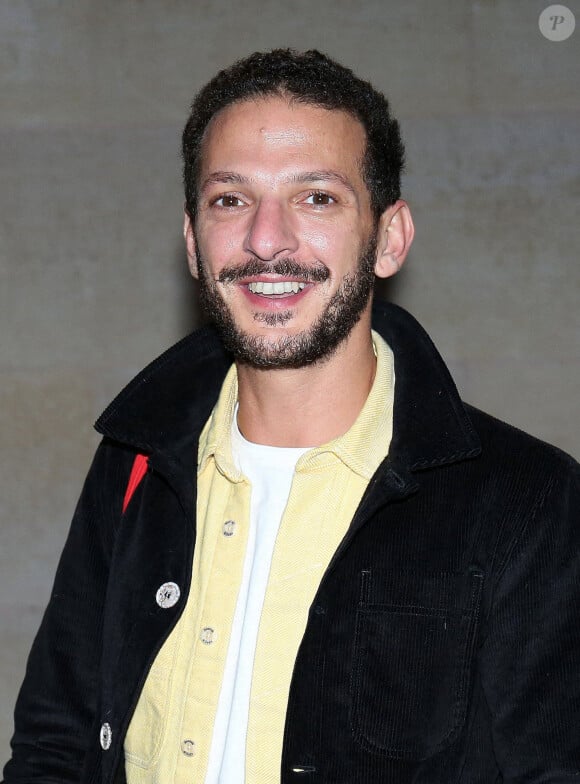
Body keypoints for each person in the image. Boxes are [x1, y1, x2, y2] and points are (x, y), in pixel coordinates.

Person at [3, 49, 580, 784]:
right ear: (191, 241)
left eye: (316, 198)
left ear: (390, 237)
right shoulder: (135, 458)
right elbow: (55, 742)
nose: (266, 240)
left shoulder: (525, 497)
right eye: (230, 200)